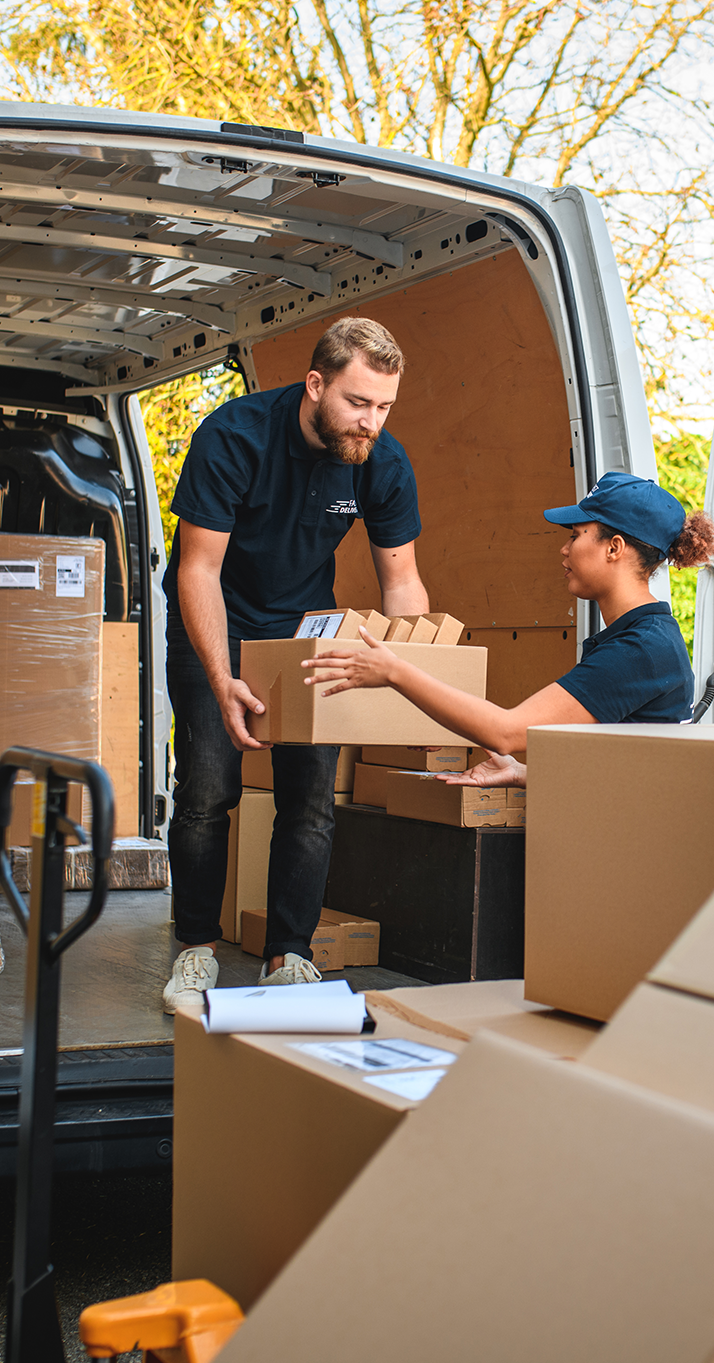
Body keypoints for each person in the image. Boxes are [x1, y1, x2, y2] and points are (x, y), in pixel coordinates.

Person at [160, 317, 428, 1011]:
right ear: (316, 384)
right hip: (216, 615)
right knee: (207, 788)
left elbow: (402, 584)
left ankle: (290, 955)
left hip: (307, 629)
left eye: (384, 406)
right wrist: (221, 678)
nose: (371, 422)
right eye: (358, 402)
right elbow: (199, 570)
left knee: (309, 799)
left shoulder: (381, 461)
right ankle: (194, 949)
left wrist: (411, 671)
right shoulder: (233, 437)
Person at [298, 471, 714, 766]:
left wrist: (395, 671)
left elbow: (507, 732)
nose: (564, 550)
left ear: (614, 547)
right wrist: (522, 775)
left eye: (576, 535)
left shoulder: (639, 651)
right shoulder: (639, 637)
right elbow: (622, 762)